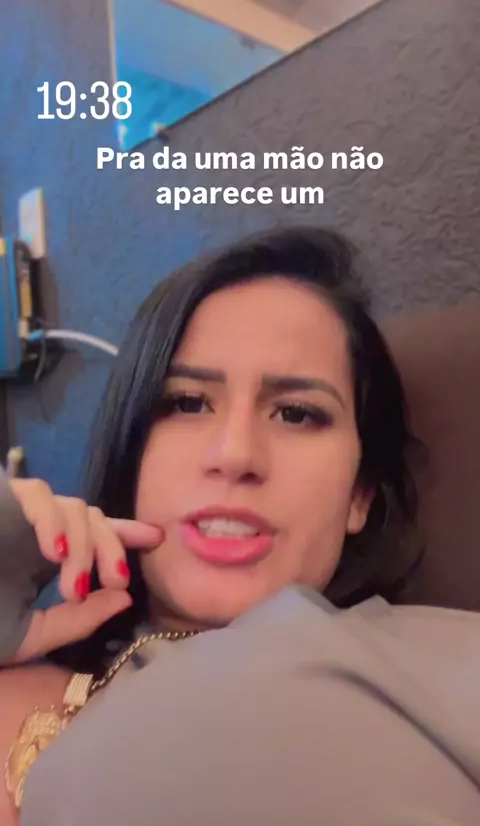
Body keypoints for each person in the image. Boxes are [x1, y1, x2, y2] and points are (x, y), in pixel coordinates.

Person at [1, 225, 479, 826]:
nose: (235, 454)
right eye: (187, 403)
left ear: (359, 494)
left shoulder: (445, 661)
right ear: (131, 450)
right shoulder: (29, 680)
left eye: (297, 414)